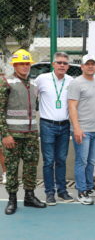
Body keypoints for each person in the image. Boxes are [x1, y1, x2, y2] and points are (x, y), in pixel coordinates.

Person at [0, 49, 46, 215]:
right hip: (12, 135)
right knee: (12, 169)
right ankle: (12, 200)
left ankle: (29, 196)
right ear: (14, 64)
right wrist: (5, 134)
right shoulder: (6, 82)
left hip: (31, 135)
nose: (25, 66)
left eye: (28, 63)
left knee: (31, 167)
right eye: (22, 63)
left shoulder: (33, 84)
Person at [35, 52, 74, 205]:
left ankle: (62, 191)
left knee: (61, 160)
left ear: (68, 66)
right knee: (48, 161)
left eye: (65, 63)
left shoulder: (71, 81)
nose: (62, 65)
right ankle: (49, 193)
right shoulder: (41, 79)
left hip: (64, 125)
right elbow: (33, 97)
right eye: (59, 62)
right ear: (53, 64)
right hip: (47, 125)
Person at [68, 54, 95, 205]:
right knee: (81, 162)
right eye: (87, 64)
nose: (90, 66)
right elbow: (72, 106)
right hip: (82, 130)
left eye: (93, 64)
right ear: (82, 67)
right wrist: (77, 128)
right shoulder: (76, 83)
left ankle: (89, 188)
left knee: (91, 162)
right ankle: (81, 192)